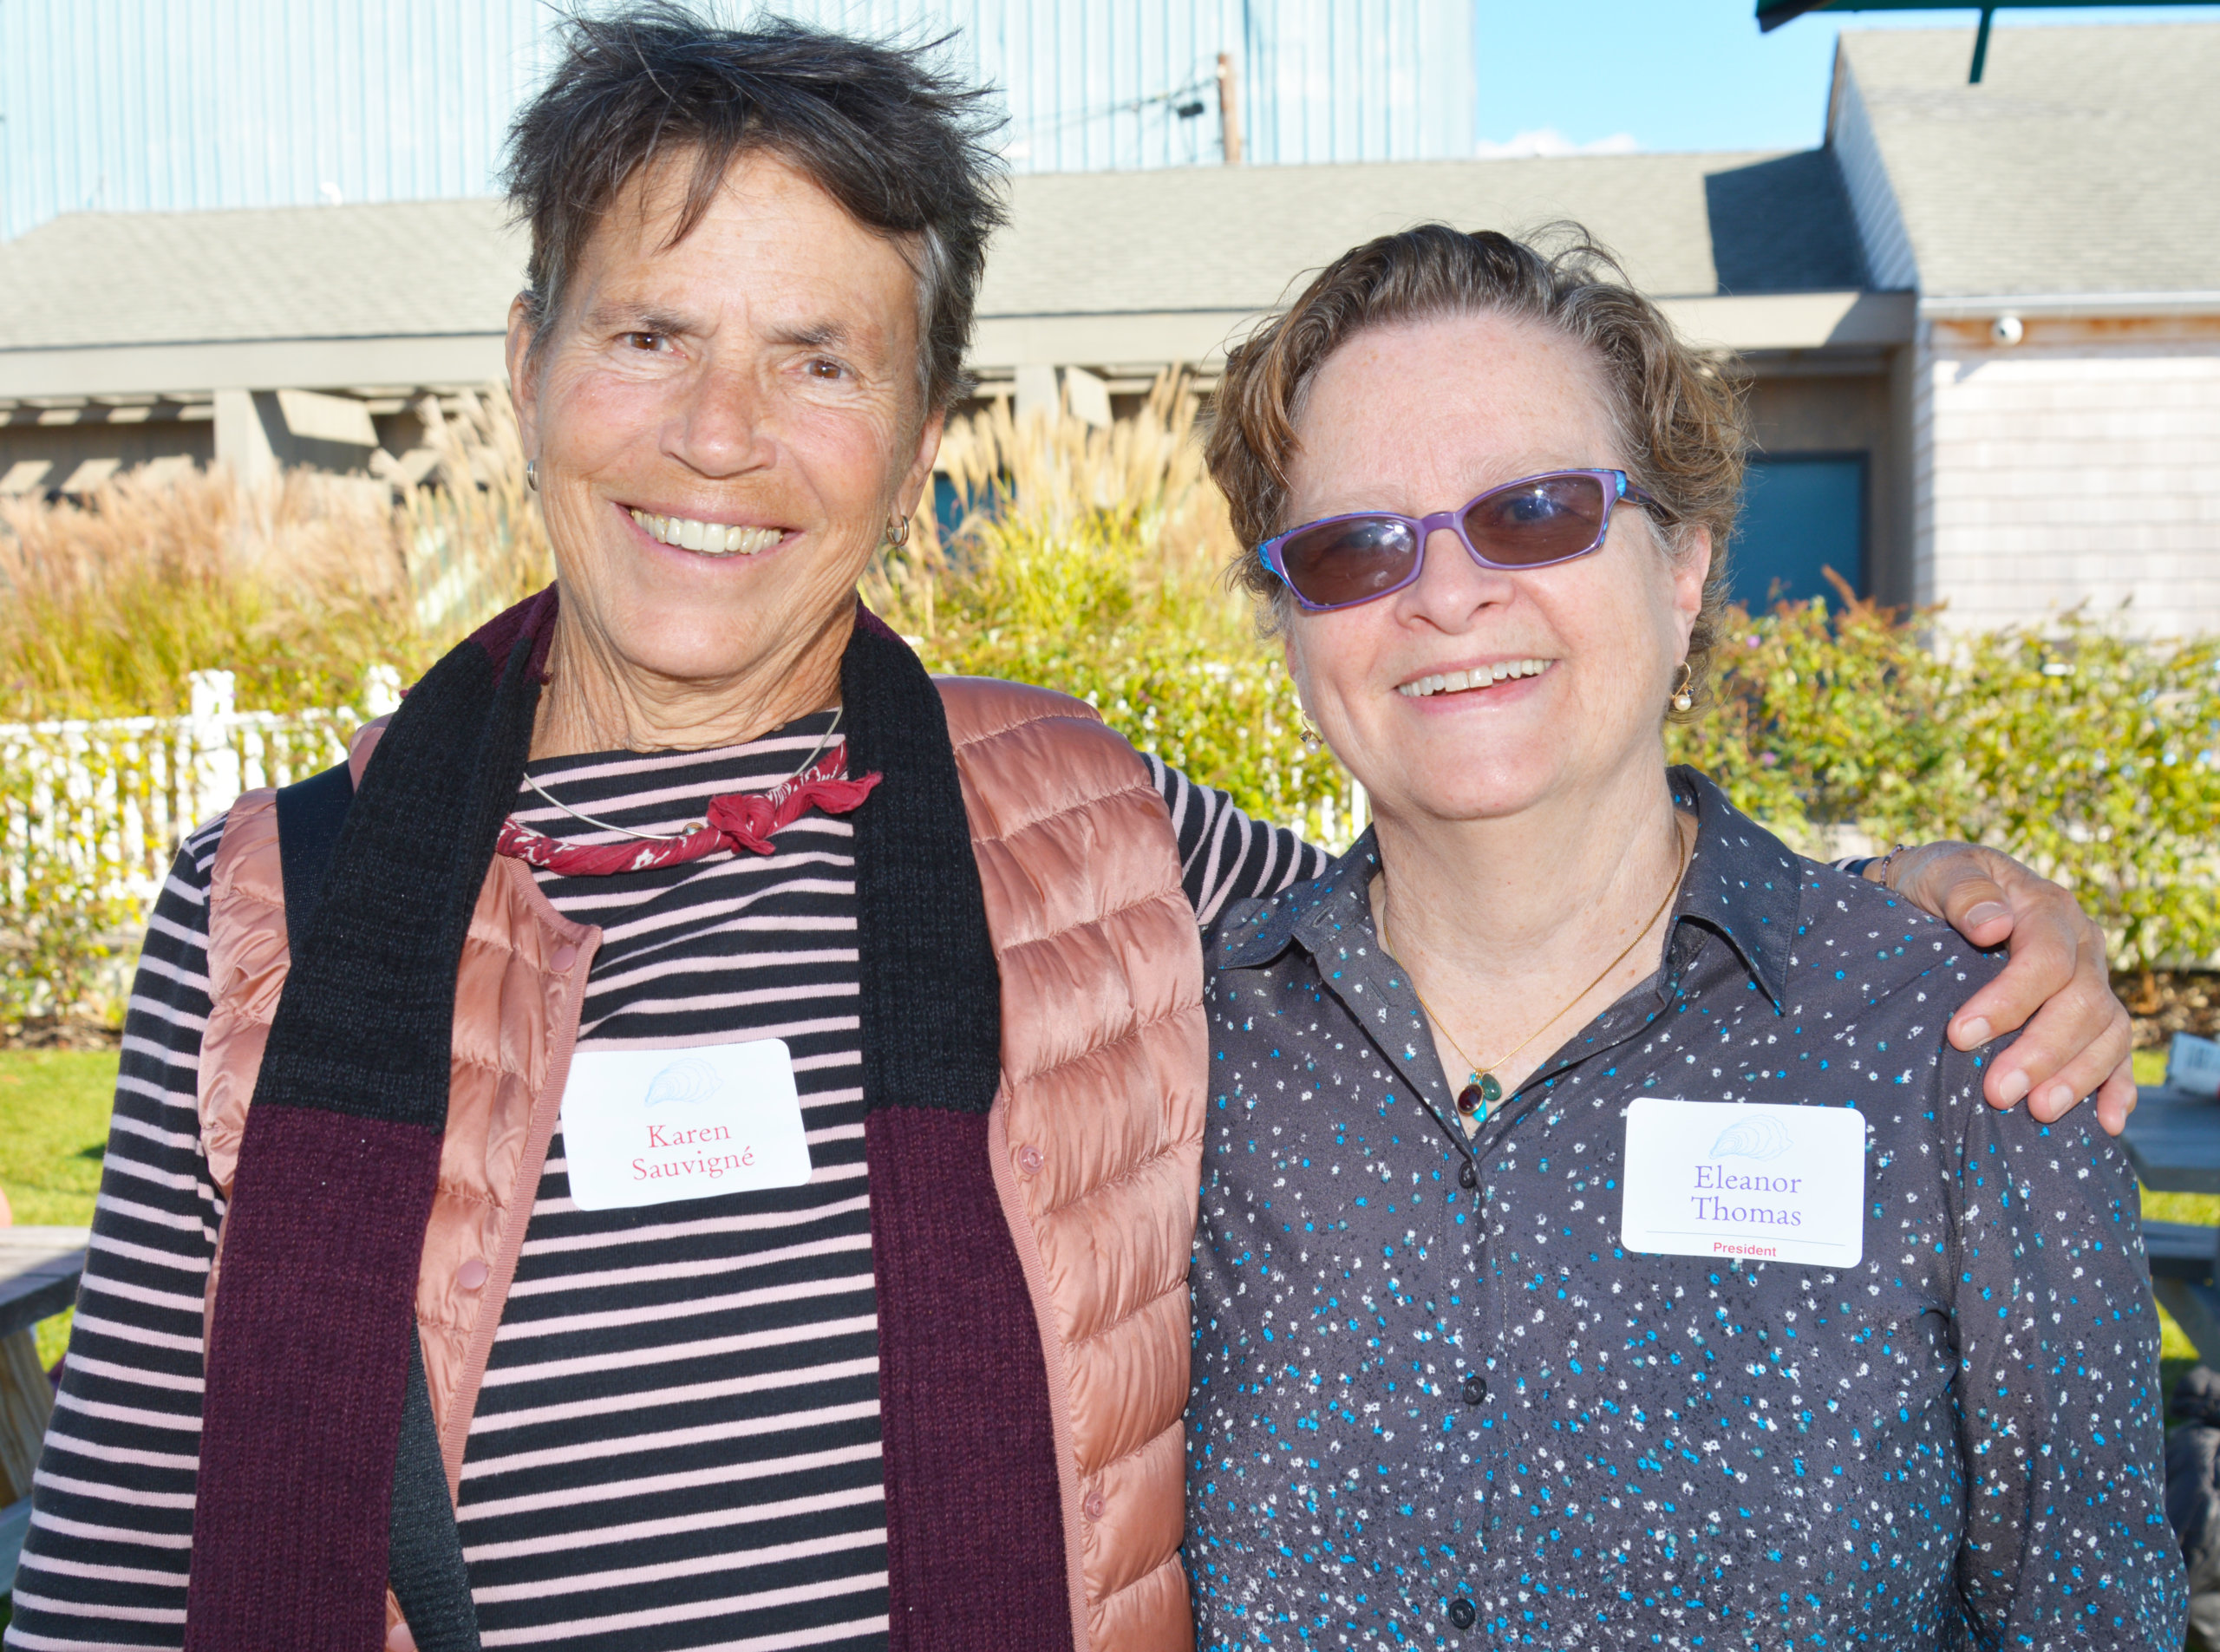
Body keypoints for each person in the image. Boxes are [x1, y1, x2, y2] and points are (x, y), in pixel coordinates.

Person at [3, 10, 2138, 1651]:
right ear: (524, 363)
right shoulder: (277, 900)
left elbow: (1511, 877)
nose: (719, 435)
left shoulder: (1086, 827)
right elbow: (109, 1565)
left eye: (819, 360)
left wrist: (1913, 915)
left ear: (922, 438)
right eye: (648, 333)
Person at [1182, 222, 2185, 1649]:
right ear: (1290, 624)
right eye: (1356, 546)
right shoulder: (1181, 1049)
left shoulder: (1960, 1046)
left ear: (1686, 570)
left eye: (1536, 511)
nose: (1450, 593)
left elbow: (2094, 1612)